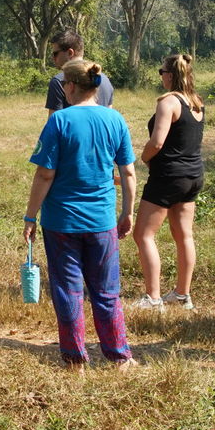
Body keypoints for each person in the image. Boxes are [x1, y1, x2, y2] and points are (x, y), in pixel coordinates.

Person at [23, 59, 137, 371]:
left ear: (71, 86)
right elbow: (127, 172)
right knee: (106, 291)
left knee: (68, 289)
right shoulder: (115, 120)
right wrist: (128, 212)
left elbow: (45, 175)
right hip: (102, 221)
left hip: (61, 222)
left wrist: (30, 217)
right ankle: (119, 355)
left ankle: (75, 358)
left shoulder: (59, 121)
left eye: (64, 85)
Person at [132, 54, 205, 311]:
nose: (160, 75)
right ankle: (182, 295)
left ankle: (153, 298)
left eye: (161, 70)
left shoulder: (168, 102)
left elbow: (157, 142)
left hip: (168, 176)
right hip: (193, 175)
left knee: (143, 234)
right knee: (183, 234)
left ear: (171, 75)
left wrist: (143, 156)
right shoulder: (196, 102)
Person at [46, 30, 114, 118]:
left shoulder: (60, 81)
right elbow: (109, 118)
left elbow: (54, 125)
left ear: (70, 52)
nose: (53, 58)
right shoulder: (104, 79)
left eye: (55, 54)